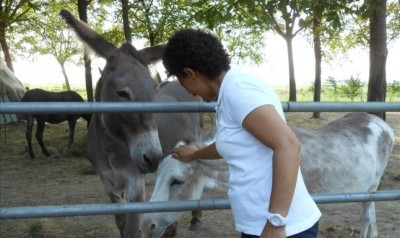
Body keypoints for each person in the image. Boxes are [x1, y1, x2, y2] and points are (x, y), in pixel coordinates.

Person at [162, 29, 321, 238]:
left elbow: (288, 146)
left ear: (191, 73)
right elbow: (234, 143)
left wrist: (276, 221)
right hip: (260, 225)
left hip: (283, 229)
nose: (191, 93)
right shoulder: (230, 92)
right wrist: (195, 154)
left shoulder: (239, 92)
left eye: (184, 85)